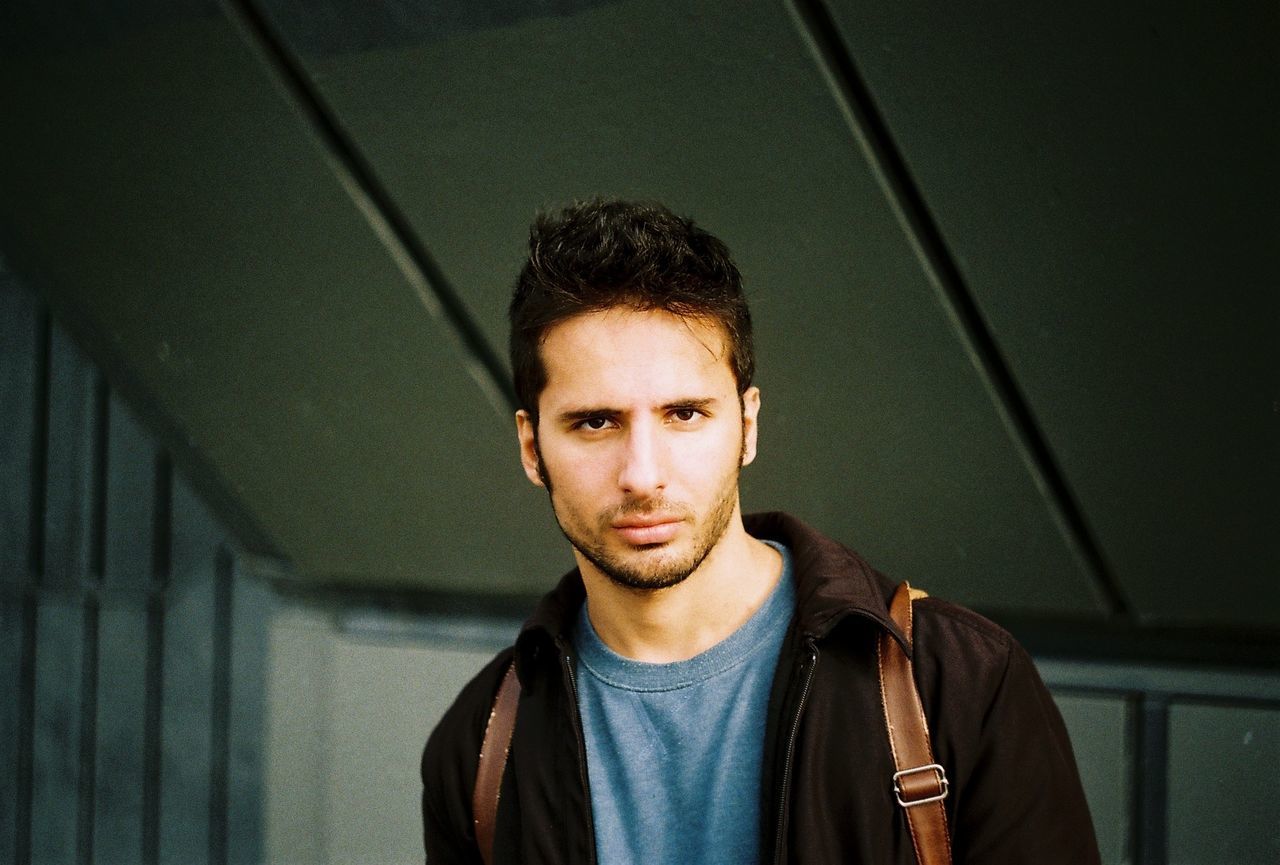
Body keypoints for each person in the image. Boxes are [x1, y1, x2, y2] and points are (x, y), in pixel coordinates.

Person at [421, 199, 1100, 864]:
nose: (642, 473)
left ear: (747, 425)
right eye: (595, 421)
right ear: (531, 446)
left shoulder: (959, 686)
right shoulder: (481, 747)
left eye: (684, 414)